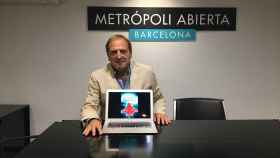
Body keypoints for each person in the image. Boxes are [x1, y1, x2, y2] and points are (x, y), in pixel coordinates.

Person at [81, 34, 171, 136]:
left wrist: (159, 112)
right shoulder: (97, 76)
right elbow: (90, 104)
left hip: (141, 127)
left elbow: (158, 98)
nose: (119, 56)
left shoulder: (146, 72)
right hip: (110, 130)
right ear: (108, 56)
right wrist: (92, 119)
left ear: (130, 53)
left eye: (123, 51)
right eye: (114, 52)